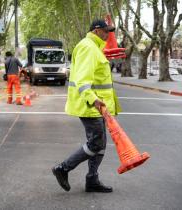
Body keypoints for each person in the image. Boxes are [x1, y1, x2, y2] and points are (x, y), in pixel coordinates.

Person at [52, 19, 121, 193]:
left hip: (97, 105)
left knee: (101, 143)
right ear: (97, 31)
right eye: (106, 31)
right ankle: (63, 168)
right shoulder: (88, 47)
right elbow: (83, 81)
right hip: (91, 105)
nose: (108, 35)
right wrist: (94, 100)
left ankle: (92, 180)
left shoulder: (94, 47)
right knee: (96, 143)